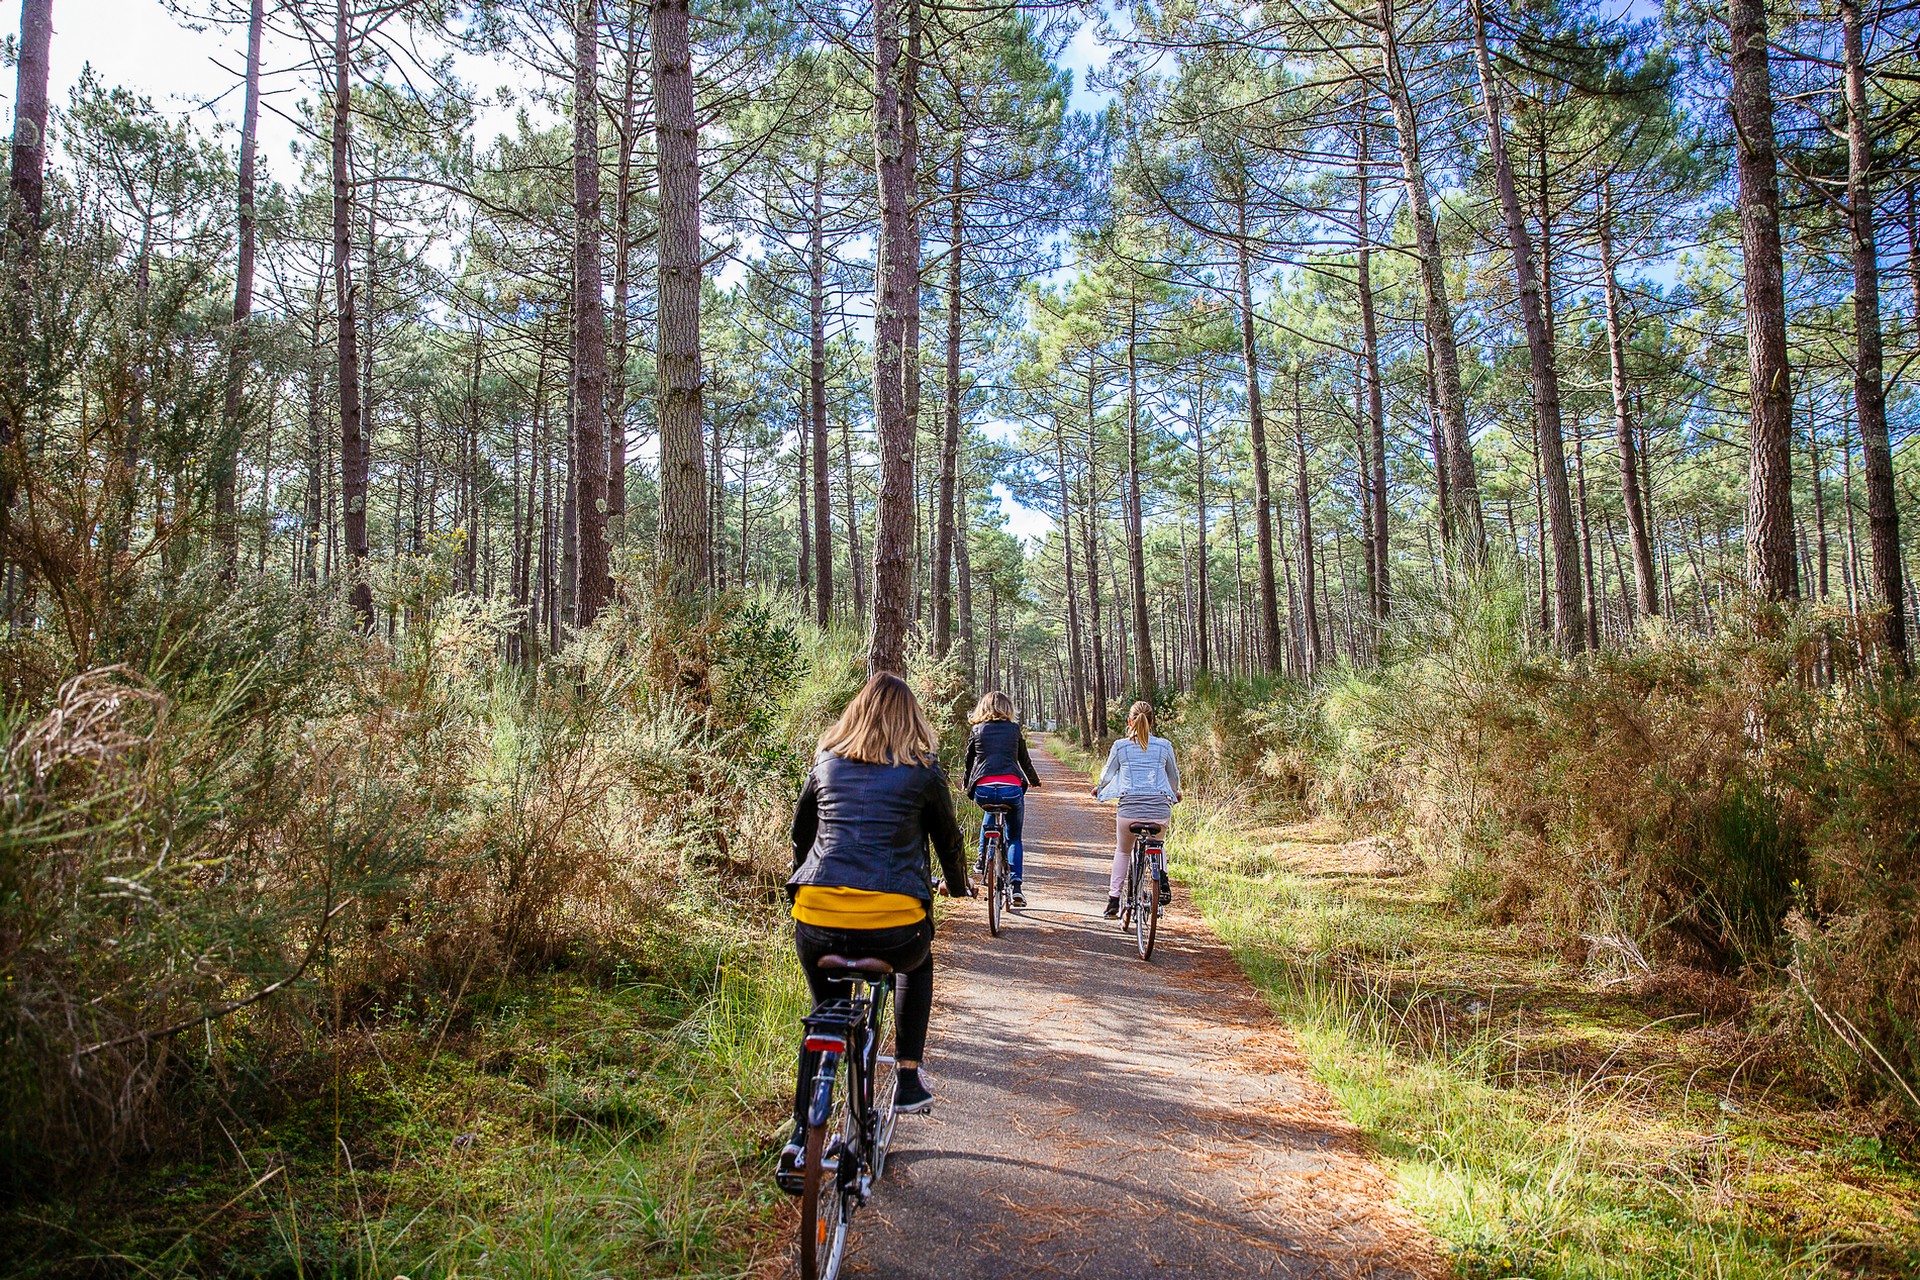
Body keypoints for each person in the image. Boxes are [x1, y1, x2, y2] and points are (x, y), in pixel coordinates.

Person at [780, 672, 970, 1184]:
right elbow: (948, 842)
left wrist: (804, 887)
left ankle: (799, 1137)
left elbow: (802, 838)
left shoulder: (825, 763)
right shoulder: (923, 771)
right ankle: (907, 1076)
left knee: (825, 1012)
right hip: (894, 929)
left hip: (816, 918)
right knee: (920, 962)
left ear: (856, 714)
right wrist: (959, 885)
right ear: (912, 720)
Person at [1090, 701, 1182, 919]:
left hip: (1129, 809)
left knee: (1123, 850)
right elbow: (1173, 776)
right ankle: (1163, 879)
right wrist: (1175, 792)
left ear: (1129, 721)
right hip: (1159, 808)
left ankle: (1113, 902)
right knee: (1158, 844)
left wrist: (1099, 789)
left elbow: (1107, 775)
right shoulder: (1164, 746)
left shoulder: (1121, 746)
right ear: (1152, 722)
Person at [961, 690, 1042, 906]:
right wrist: (1034, 779)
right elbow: (1024, 760)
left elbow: (970, 761)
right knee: (1014, 837)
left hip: (983, 790)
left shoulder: (976, 730)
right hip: (1011, 790)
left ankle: (981, 858)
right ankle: (1016, 888)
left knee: (990, 809)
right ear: (1008, 709)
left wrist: (966, 782)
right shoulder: (1014, 730)